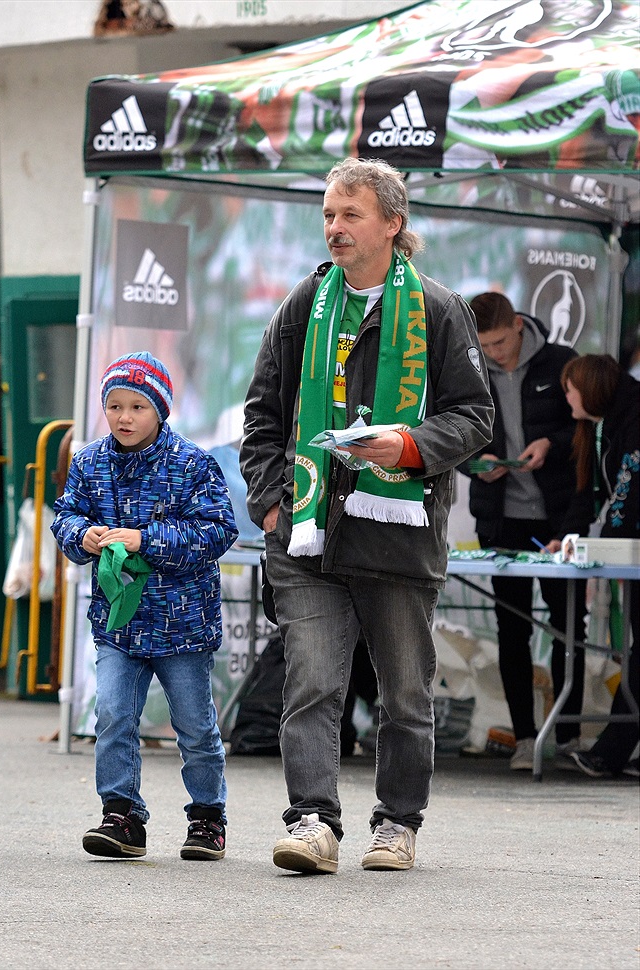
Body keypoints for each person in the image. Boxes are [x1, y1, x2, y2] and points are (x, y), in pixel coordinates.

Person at [239, 157, 494, 873]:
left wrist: (408, 446)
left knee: (405, 696)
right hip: (307, 536)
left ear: (392, 223)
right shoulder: (303, 305)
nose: (335, 227)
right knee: (312, 685)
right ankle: (313, 822)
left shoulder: (440, 309)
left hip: (399, 536)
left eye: (350, 214)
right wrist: (271, 502)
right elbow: (262, 415)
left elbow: (475, 417)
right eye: (328, 214)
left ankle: (398, 824)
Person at [51, 351, 238, 859]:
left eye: (137, 407)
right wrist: (82, 535)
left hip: (184, 626)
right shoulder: (88, 461)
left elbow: (218, 531)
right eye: (114, 406)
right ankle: (122, 816)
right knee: (112, 715)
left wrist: (145, 540)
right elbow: (65, 515)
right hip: (119, 623)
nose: (124, 418)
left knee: (195, 727)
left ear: (161, 410)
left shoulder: (192, 463)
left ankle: (207, 819)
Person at [463, 292, 588, 771]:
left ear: (518, 324)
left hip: (559, 516)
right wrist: (478, 465)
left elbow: (586, 430)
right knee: (510, 627)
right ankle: (524, 737)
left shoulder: (561, 362)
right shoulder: (470, 369)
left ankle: (570, 736)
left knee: (568, 626)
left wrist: (550, 444)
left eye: (499, 342)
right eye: (484, 346)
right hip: (501, 519)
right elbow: (452, 438)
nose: (493, 353)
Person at [550, 354, 639, 778]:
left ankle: (611, 752)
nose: (566, 398)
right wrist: (569, 536)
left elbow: (626, 493)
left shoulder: (633, 419)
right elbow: (587, 491)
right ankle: (613, 751)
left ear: (591, 390)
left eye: (570, 390)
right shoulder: (598, 426)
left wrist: (599, 547)